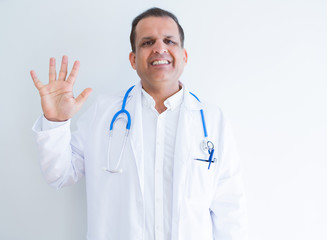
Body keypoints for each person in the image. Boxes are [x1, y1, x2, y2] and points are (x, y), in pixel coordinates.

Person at [31, 7, 247, 240]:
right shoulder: (103, 113)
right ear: (133, 60)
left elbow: (230, 212)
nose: (159, 48)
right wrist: (56, 121)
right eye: (147, 42)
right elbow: (60, 174)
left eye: (169, 41)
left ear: (184, 56)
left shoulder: (213, 120)